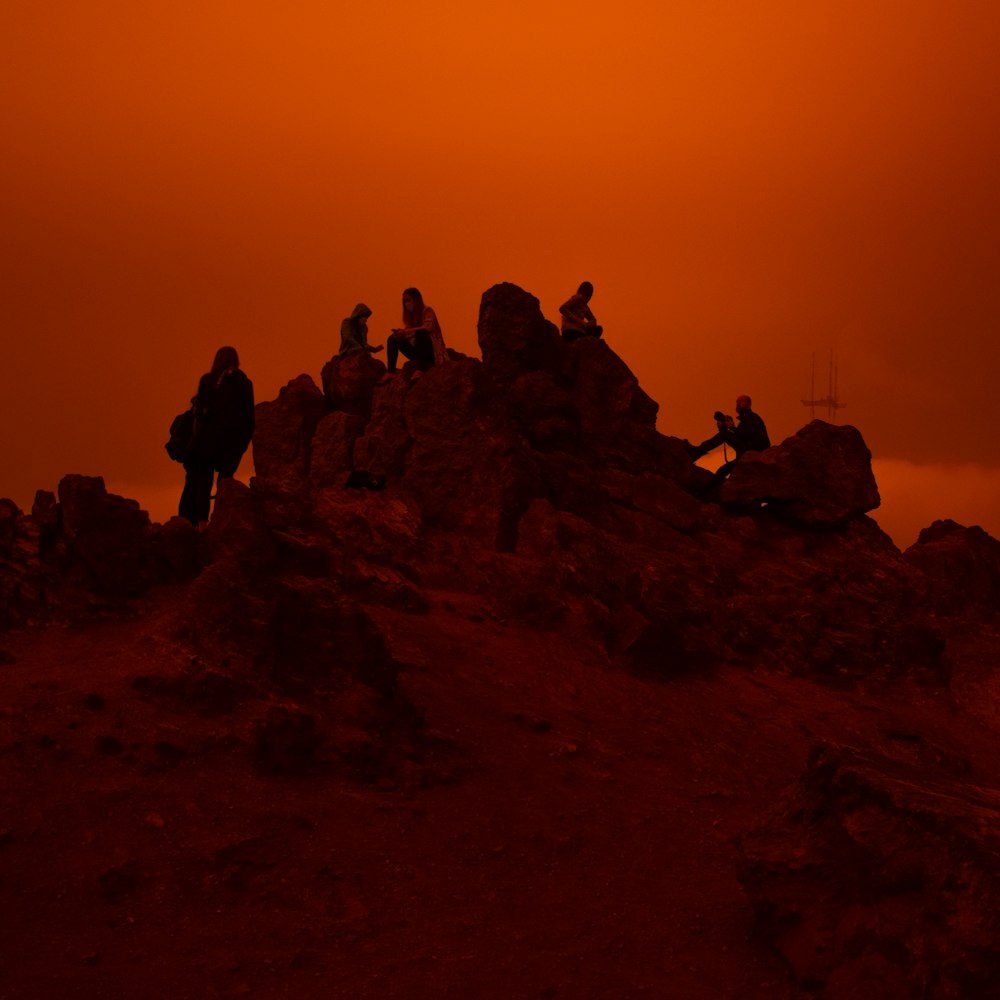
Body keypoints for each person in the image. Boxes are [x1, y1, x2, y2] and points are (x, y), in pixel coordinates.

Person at [178, 346, 255, 525]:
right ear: (236, 360)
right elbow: (248, 417)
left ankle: (201, 523)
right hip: (230, 442)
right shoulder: (244, 383)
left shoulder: (208, 381)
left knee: (202, 484)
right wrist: (243, 442)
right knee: (225, 483)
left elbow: (200, 409)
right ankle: (221, 520)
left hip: (205, 440)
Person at [687, 394, 770, 483]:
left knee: (723, 469)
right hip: (745, 452)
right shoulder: (746, 419)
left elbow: (746, 435)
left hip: (751, 451)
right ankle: (703, 491)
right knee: (722, 471)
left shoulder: (753, 418)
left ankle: (697, 452)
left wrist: (732, 428)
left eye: (741, 401)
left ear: (749, 404)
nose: (738, 404)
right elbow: (739, 436)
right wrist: (723, 428)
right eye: (737, 402)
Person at [382, 287, 447, 378]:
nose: (406, 303)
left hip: (430, 352)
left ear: (416, 299)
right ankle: (391, 371)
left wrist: (406, 332)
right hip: (416, 351)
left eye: (409, 300)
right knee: (393, 338)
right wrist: (402, 334)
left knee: (421, 334)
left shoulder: (427, 311)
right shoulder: (410, 318)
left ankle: (421, 369)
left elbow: (428, 327)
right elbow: (410, 336)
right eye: (404, 301)